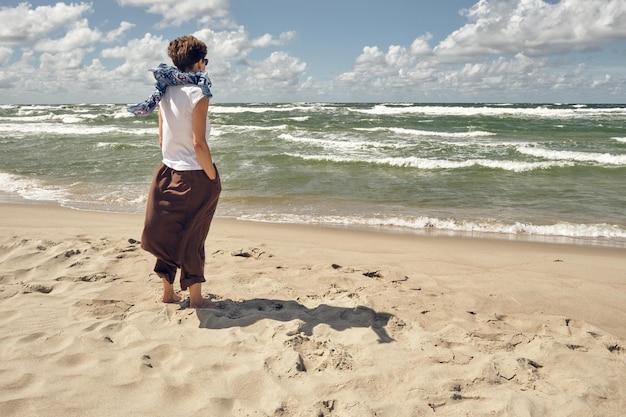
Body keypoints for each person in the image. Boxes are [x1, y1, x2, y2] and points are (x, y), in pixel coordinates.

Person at [130, 35, 221, 308]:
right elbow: (198, 143)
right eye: (205, 60)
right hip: (194, 174)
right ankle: (196, 300)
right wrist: (212, 176)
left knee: (170, 235)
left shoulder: (164, 90)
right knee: (193, 237)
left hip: (166, 171)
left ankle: (168, 293)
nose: (205, 65)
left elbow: (161, 138)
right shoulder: (198, 93)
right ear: (198, 62)